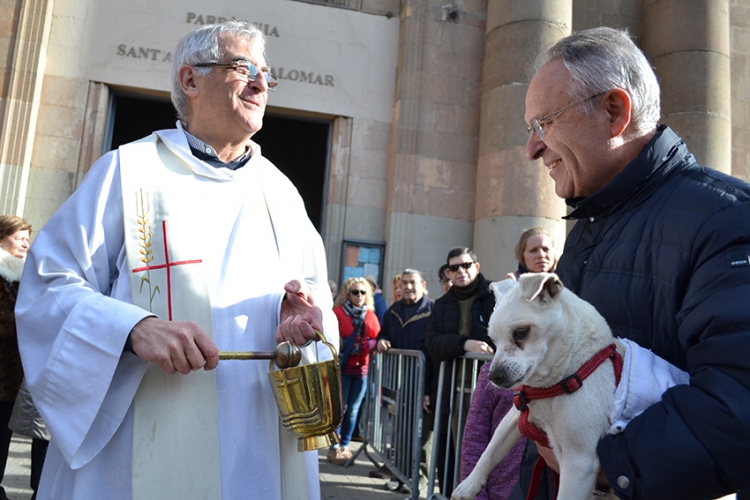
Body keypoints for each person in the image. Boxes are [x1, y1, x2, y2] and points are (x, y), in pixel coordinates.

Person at [15, 21, 337, 500]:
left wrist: (305, 320)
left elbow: (316, 299)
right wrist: (132, 328)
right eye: (245, 68)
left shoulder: (282, 193)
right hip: (135, 437)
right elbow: (49, 285)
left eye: (267, 74)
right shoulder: (127, 171)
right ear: (190, 80)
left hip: (254, 441)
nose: (261, 83)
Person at [516, 26, 750, 499]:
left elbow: (737, 404)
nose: (532, 148)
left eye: (545, 124)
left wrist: (604, 465)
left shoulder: (727, 220)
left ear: (615, 112)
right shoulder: (590, 226)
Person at [459, 229, 557, 500]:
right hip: (506, 484)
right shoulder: (505, 296)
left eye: (546, 249)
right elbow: (476, 437)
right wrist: (475, 488)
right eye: (533, 250)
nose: (541, 255)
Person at [423, 247, 496, 496]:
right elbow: (431, 342)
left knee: (485, 453)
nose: (460, 271)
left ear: (477, 266)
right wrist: (464, 344)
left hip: (488, 391)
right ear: (448, 273)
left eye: (465, 265)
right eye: (454, 267)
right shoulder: (442, 304)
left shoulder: (496, 296)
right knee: (451, 452)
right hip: (452, 390)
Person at [373, 269, 435, 484]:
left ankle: (421, 482)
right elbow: (384, 333)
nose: (408, 286)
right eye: (404, 283)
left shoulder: (433, 309)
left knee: (424, 433)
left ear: (423, 285)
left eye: (413, 282)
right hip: (401, 381)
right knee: (402, 428)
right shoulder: (392, 312)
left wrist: (430, 387)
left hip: (427, 381)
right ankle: (399, 475)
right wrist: (382, 340)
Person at [327, 277, 379, 465]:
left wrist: (374, 342)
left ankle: (345, 445)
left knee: (353, 410)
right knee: (340, 409)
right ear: (347, 294)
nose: (359, 296)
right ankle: (333, 446)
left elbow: (379, 335)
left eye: (363, 292)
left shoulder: (371, 315)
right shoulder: (337, 313)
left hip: (362, 370)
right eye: (355, 292)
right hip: (342, 368)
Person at [0, 215, 31, 500]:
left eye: (27, 238)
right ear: (2, 238)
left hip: (12, 378)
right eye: (19, 237)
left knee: (2, 435)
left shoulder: (26, 276)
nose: (25, 243)